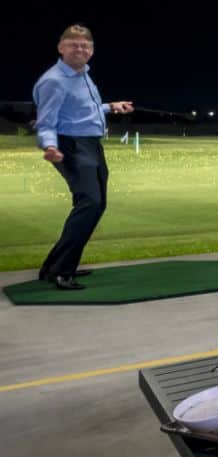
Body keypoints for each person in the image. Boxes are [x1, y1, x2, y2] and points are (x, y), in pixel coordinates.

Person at [34, 25, 133, 291]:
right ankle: (62, 272)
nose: (80, 49)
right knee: (89, 203)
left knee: (97, 205)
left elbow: (83, 109)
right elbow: (45, 123)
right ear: (61, 47)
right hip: (70, 145)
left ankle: (54, 266)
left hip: (91, 143)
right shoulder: (53, 80)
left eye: (85, 46)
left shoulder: (83, 75)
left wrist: (110, 107)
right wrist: (50, 147)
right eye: (73, 44)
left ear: (91, 50)